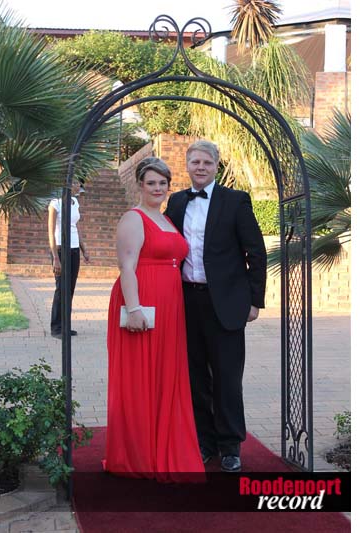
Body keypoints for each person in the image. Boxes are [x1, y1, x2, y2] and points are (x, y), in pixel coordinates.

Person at [164, 140, 267, 473]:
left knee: (227, 378)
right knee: (195, 377)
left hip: (226, 303)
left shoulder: (235, 201)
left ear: (216, 166)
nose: (200, 167)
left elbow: (256, 253)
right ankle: (204, 441)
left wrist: (254, 301)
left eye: (207, 162)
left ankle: (230, 446)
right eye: (195, 162)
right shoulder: (177, 201)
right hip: (186, 301)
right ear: (187, 165)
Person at [104, 157, 205, 483]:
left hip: (170, 307)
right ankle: (138, 454)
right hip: (142, 303)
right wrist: (134, 309)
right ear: (140, 185)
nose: (158, 188)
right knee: (140, 378)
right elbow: (127, 267)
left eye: (163, 183)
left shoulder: (165, 219)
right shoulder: (133, 218)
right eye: (151, 183)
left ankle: (164, 445)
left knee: (164, 375)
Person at [48, 179, 90, 339]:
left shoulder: (75, 202)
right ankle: (56, 327)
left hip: (74, 249)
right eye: (75, 183)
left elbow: (76, 227)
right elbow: (51, 231)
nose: (78, 186)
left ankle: (65, 325)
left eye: (79, 183)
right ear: (66, 184)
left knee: (70, 289)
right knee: (61, 288)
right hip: (60, 249)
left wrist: (84, 249)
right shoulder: (55, 204)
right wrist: (55, 258)